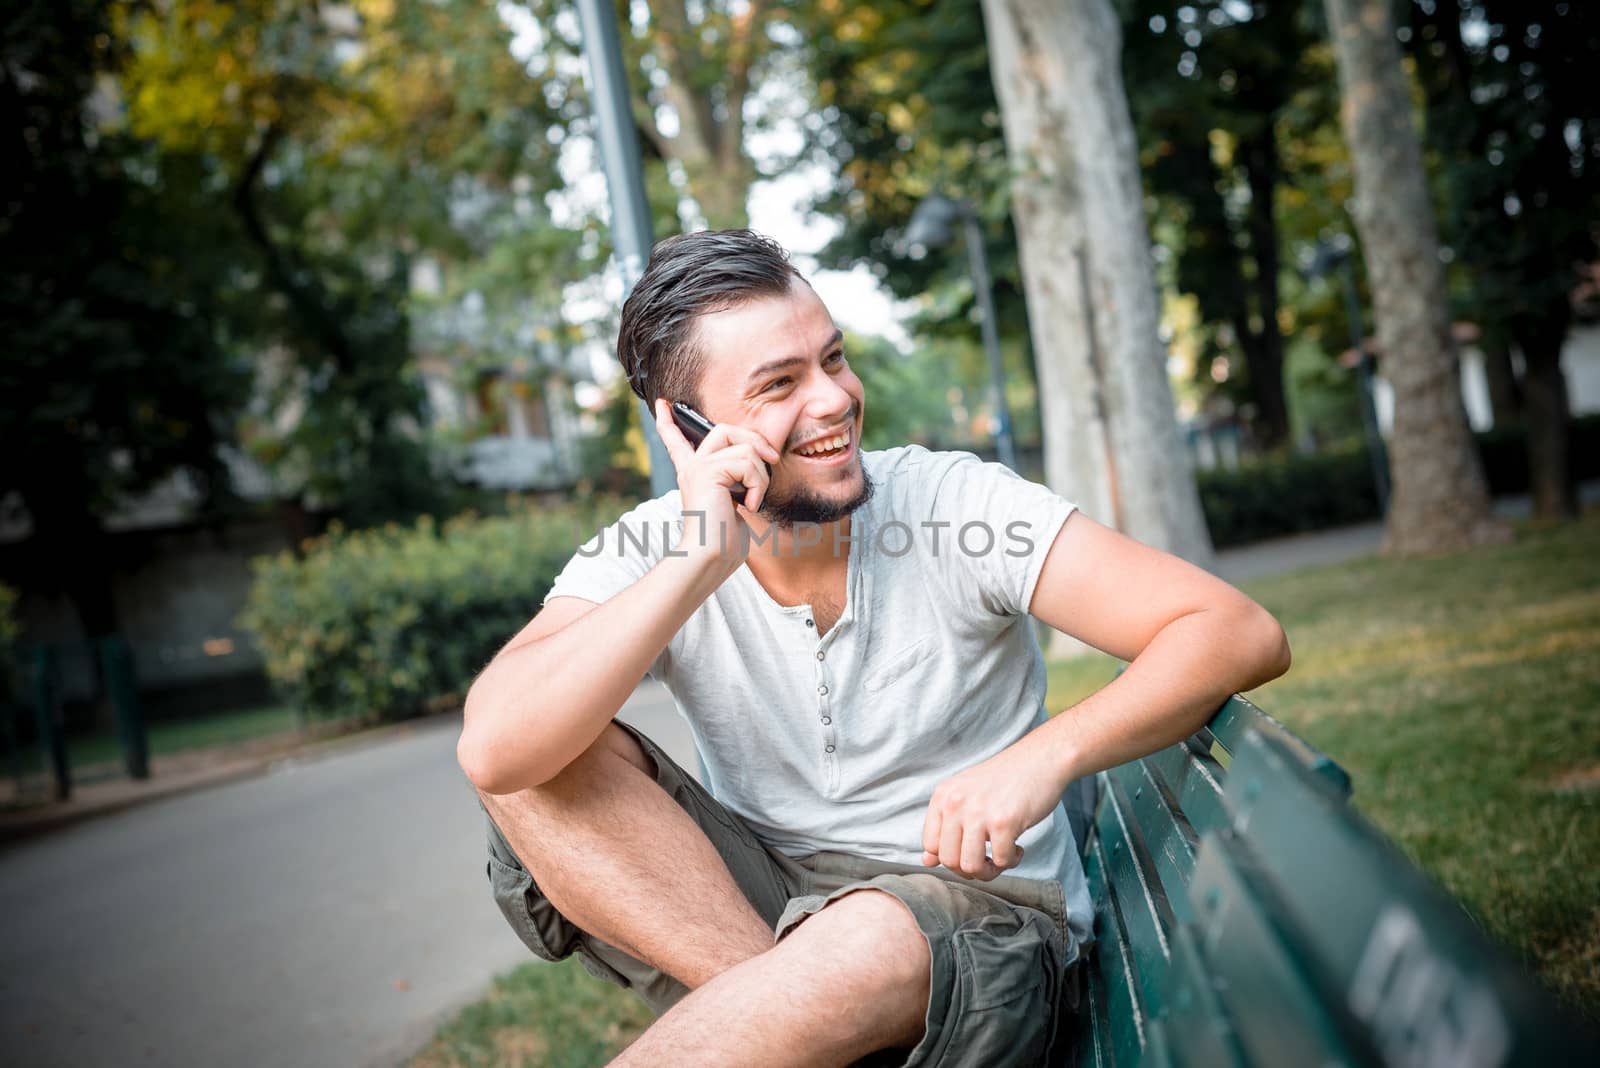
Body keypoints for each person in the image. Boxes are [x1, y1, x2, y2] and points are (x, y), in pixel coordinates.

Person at [457, 229, 1290, 1066]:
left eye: (833, 359)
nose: (833, 400)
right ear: (689, 427)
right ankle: (795, 1022)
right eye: (780, 384)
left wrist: (1045, 753)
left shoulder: (955, 505)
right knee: (537, 769)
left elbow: (1235, 629)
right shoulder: (655, 549)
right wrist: (698, 561)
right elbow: (495, 749)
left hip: (977, 911)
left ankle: (783, 1017)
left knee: (862, 940)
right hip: (774, 911)